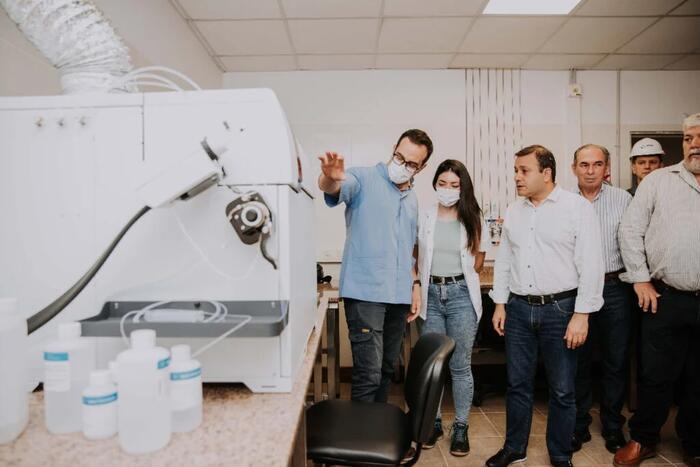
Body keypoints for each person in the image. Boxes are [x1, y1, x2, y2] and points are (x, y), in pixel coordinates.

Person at [486, 145, 604, 467]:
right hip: (520, 309)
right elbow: (505, 259)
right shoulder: (514, 210)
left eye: (524, 171)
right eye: (516, 170)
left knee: (563, 390)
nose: (517, 177)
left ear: (546, 173)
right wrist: (500, 303)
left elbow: (591, 264)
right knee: (517, 384)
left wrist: (582, 315)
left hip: (561, 310)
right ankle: (515, 448)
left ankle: (561, 454)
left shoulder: (576, 208)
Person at [318, 129, 433, 402]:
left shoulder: (412, 200)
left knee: (385, 370)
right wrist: (329, 178)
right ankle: (359, 441)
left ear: (422, 167)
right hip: (365, 294)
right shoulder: (363, 178)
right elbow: (334, 187)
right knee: (368, 374)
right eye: (399, 157)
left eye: (411, 164)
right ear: (394, 148)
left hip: (398, 296)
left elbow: (408, 252)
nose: (402, 166)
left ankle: (376, 435)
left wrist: (414, 286)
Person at [614, 113, 700, 467]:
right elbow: (630, 231)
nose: (694, 144)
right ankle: (644, 439)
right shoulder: (659, 182)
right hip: (664, 297)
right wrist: (641, 278)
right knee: (655, 374)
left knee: (699, 377)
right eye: (688, 138)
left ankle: (694, 442)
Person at [416, 159, 490, 456]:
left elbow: (479, 259)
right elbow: (415, 255)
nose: (447, 190)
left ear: (463, 188)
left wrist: (459, 280)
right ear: (435, 184)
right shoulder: (424, 216)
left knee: (460, 366)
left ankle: (460, 426)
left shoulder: (473, 217)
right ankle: (433, 423)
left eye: (454, 185)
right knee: (433, 365)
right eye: (443, 184)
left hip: (461, 295)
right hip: (430, 294)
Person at [570, 144, 633, 454]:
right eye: (584, 164)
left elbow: (636, 242)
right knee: (576, 360)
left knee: (615, 360)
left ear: (607, 167)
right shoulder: (564, 203)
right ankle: (578, 424)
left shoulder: (624, 200)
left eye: (597, 164)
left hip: (615, 287)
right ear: (574, 168)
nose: (590, 170)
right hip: (576, 291)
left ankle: (612, 426)